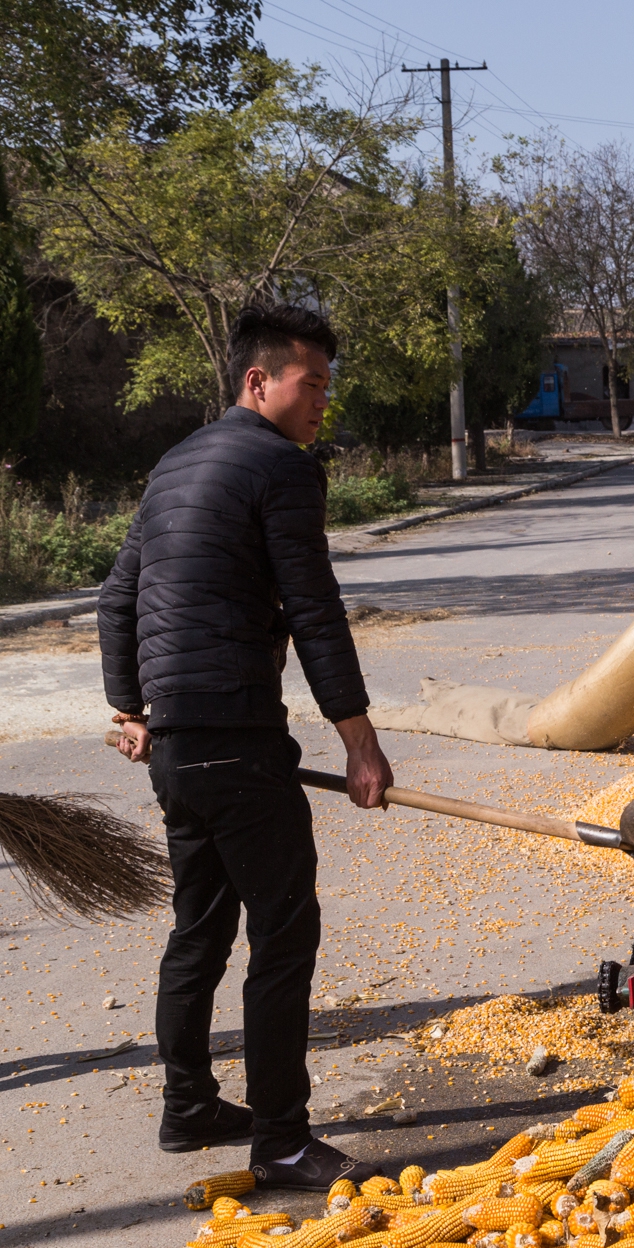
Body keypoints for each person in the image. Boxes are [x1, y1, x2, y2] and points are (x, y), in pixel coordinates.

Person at [100, 304, 394, 1189]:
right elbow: (313, 612)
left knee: (199, 927)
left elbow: (118, 600)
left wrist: (133, 708)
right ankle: (283, 1139)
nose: (321, 405)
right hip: (234, 737)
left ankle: (188, 1106)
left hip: (177, 751)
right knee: (283, 931)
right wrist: (361, 745)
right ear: (257, 381)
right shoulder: (281, 467)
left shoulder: (173, 464)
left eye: (328, 389)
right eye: (311, 386)